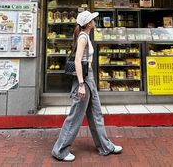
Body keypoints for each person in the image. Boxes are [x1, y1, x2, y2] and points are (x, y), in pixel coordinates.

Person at [51, 10, 123, 162]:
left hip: (88, 77)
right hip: (83, 79)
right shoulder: (83, 37)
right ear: (88, 23)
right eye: (92, 20)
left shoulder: (85, 36)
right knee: (76, 115)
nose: (95, 22)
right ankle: (60, 150)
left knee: (96, 113)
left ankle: (105, 146)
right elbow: (78, 61)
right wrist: (81, 85)